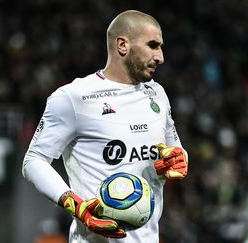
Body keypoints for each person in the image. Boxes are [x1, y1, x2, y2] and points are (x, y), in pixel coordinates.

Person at [22, 10, 188, 243]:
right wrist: (76, 206)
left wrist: (179, 159)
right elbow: (33, 161)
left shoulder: (157, 94)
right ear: (122, 45)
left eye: (160, 47)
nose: (160, 56)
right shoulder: (74, 97)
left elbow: (175, 149)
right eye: (152, 45)